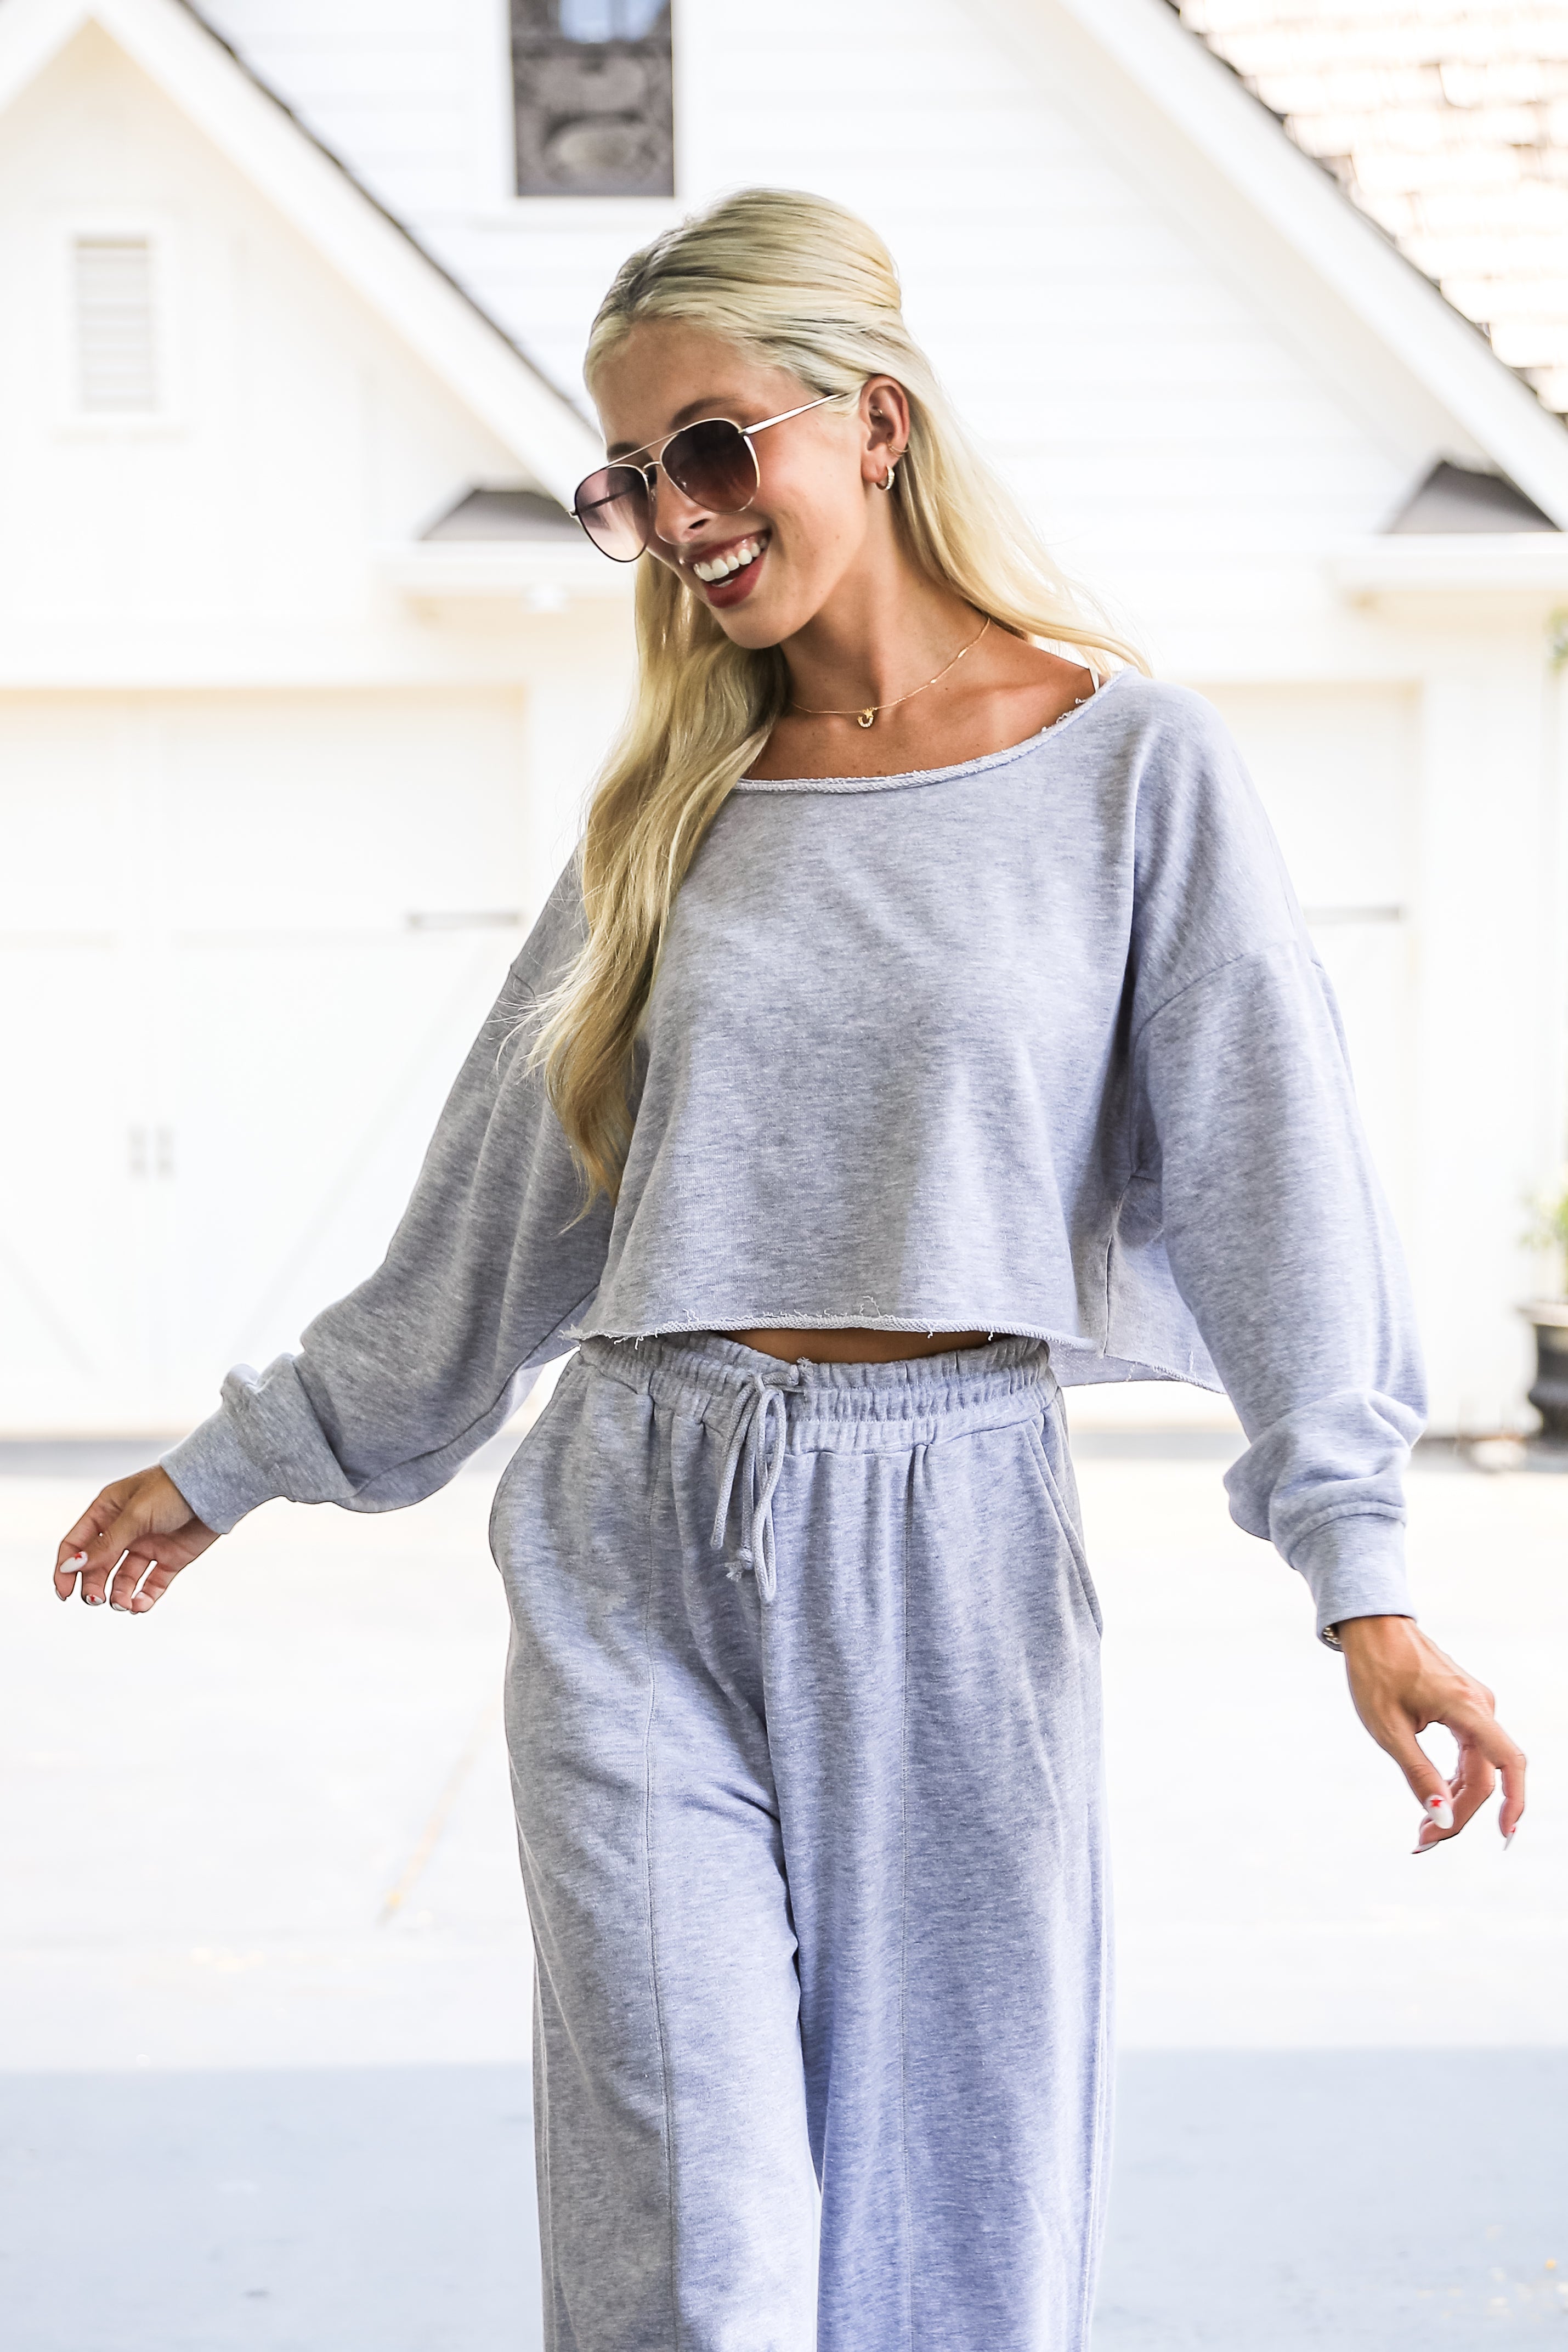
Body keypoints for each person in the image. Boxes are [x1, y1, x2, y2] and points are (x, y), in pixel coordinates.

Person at [54, 188, 1525, 2351]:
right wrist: (244, 1456)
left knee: (952, 2227)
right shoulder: (671, 810)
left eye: (713, 449)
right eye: (628, 481)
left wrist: (1362, 1572)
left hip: (953, 1548)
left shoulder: (1129, 766)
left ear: (877, 421)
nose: (674, 518)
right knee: (692, 2246)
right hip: (635, 1533)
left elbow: (1270, 1184)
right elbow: (492, 1219)